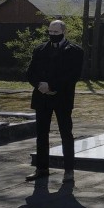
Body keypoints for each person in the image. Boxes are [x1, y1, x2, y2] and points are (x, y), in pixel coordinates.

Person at [25, 20, 84, 183]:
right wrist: (39, 85)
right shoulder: (40, 49)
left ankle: (69, 170)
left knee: (66, 134)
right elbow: (30, 72)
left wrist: (52, 85)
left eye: (55, 33)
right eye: (50, 32)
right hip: (41, 97)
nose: (52, 36)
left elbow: (73, 75)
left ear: (63, 32)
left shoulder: (75, 51)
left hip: (62, 98)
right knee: (41, 135)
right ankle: (42, 168)